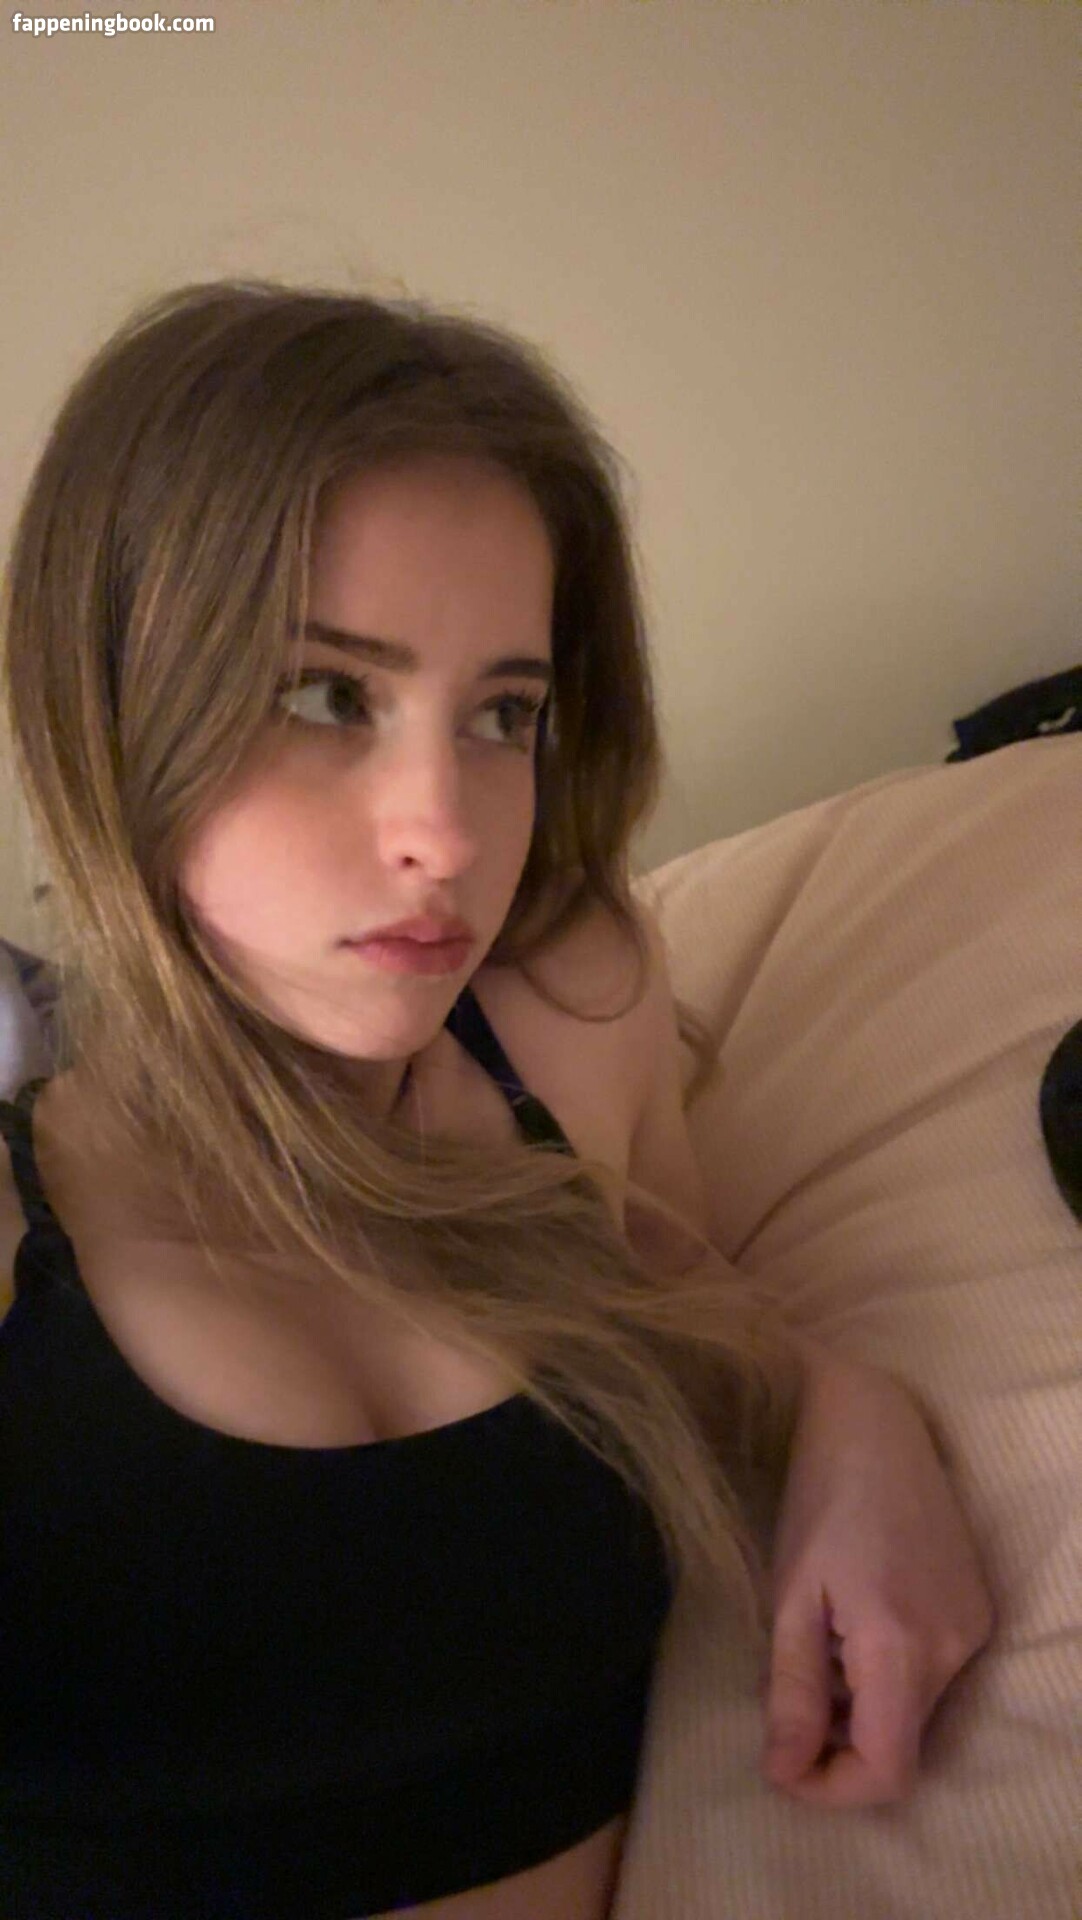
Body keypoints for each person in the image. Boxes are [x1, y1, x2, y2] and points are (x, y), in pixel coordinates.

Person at [0, 281, 992, 1920]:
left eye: (503, 715)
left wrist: (857, 1417)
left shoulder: (562, 1012)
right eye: (326, 696)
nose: (448, 834)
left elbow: (684, 1299)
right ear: (111, 708)